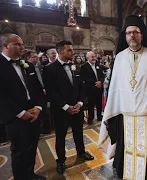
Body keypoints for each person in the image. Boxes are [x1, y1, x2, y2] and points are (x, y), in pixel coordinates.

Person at [98, 15, 147, 180]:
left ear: (142, 35)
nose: (132, 35)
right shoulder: (120, 58)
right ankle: (126, 172)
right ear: (125, 36)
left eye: (135, 32)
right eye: (128, 32)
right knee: (125, 147)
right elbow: (114, 88)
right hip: (125, 114)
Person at [43, 40, 94, 175]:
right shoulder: (49, 69)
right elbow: (51, 92)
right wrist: (66, 107)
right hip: (61, 110)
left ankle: (81, 152)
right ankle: (60, 160)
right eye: (69, 50)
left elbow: (81, 86)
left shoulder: (74, 67)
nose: (72, 52)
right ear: (60, 51)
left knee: (78, 132)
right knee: (61, 136)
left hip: (77, 108)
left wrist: (80, 103)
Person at [0, 34, 46, 180]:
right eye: (18, 44)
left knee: (32, 148)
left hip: (33, 114)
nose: (22, 47)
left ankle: (30, 175)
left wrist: (38, 107)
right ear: (5, 46)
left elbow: (38, 90)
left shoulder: (28, 65)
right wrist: (20, 113)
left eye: (22, 44)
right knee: (19, 151)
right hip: (14, 117)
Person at [80, 51, 104, 124]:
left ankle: (99, 116)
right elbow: (84, 77)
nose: (94, 58)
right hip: (90, 89)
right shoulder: (84, 67)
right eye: (92, 57)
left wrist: (101, 81)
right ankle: (91, 118)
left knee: (99, 103)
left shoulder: (98, 65)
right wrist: (95, 83)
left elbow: (102, 75)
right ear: (88, 58)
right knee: (91, 104)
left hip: (99, 88)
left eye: (94, 56)